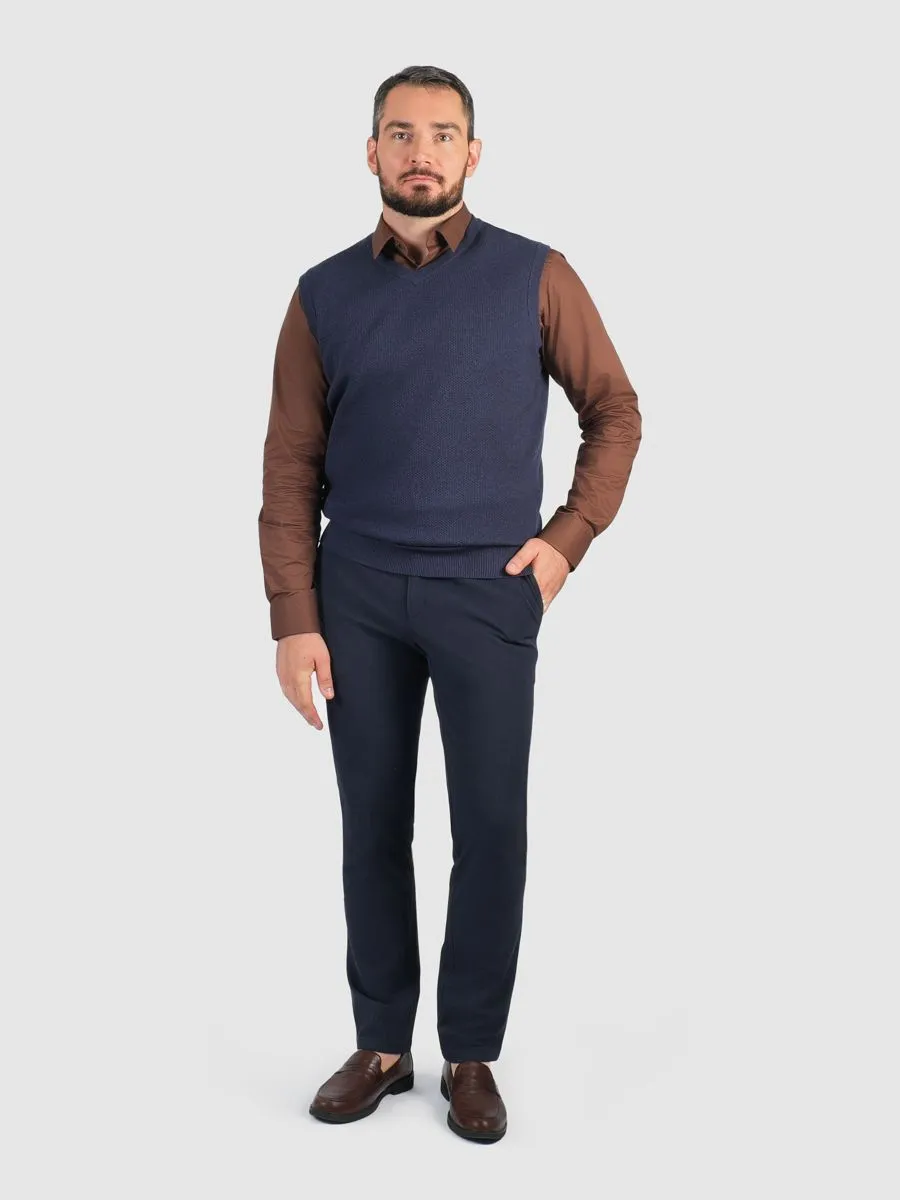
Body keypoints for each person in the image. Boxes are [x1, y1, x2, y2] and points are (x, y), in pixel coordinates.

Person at [257, 64, 642, 1142]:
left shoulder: (536, 274)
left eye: (440, 134)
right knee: (372, 826)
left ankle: (470, 1052)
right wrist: (294, 616)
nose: (420, 151)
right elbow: (290, 464)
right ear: (371, 152)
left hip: (489, 592)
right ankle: (383, 1045)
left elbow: (614, 409)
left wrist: (566, 542)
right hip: (357, 596)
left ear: (473, 153)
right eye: (400, 133)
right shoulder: (323, 293)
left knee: (491, 830)